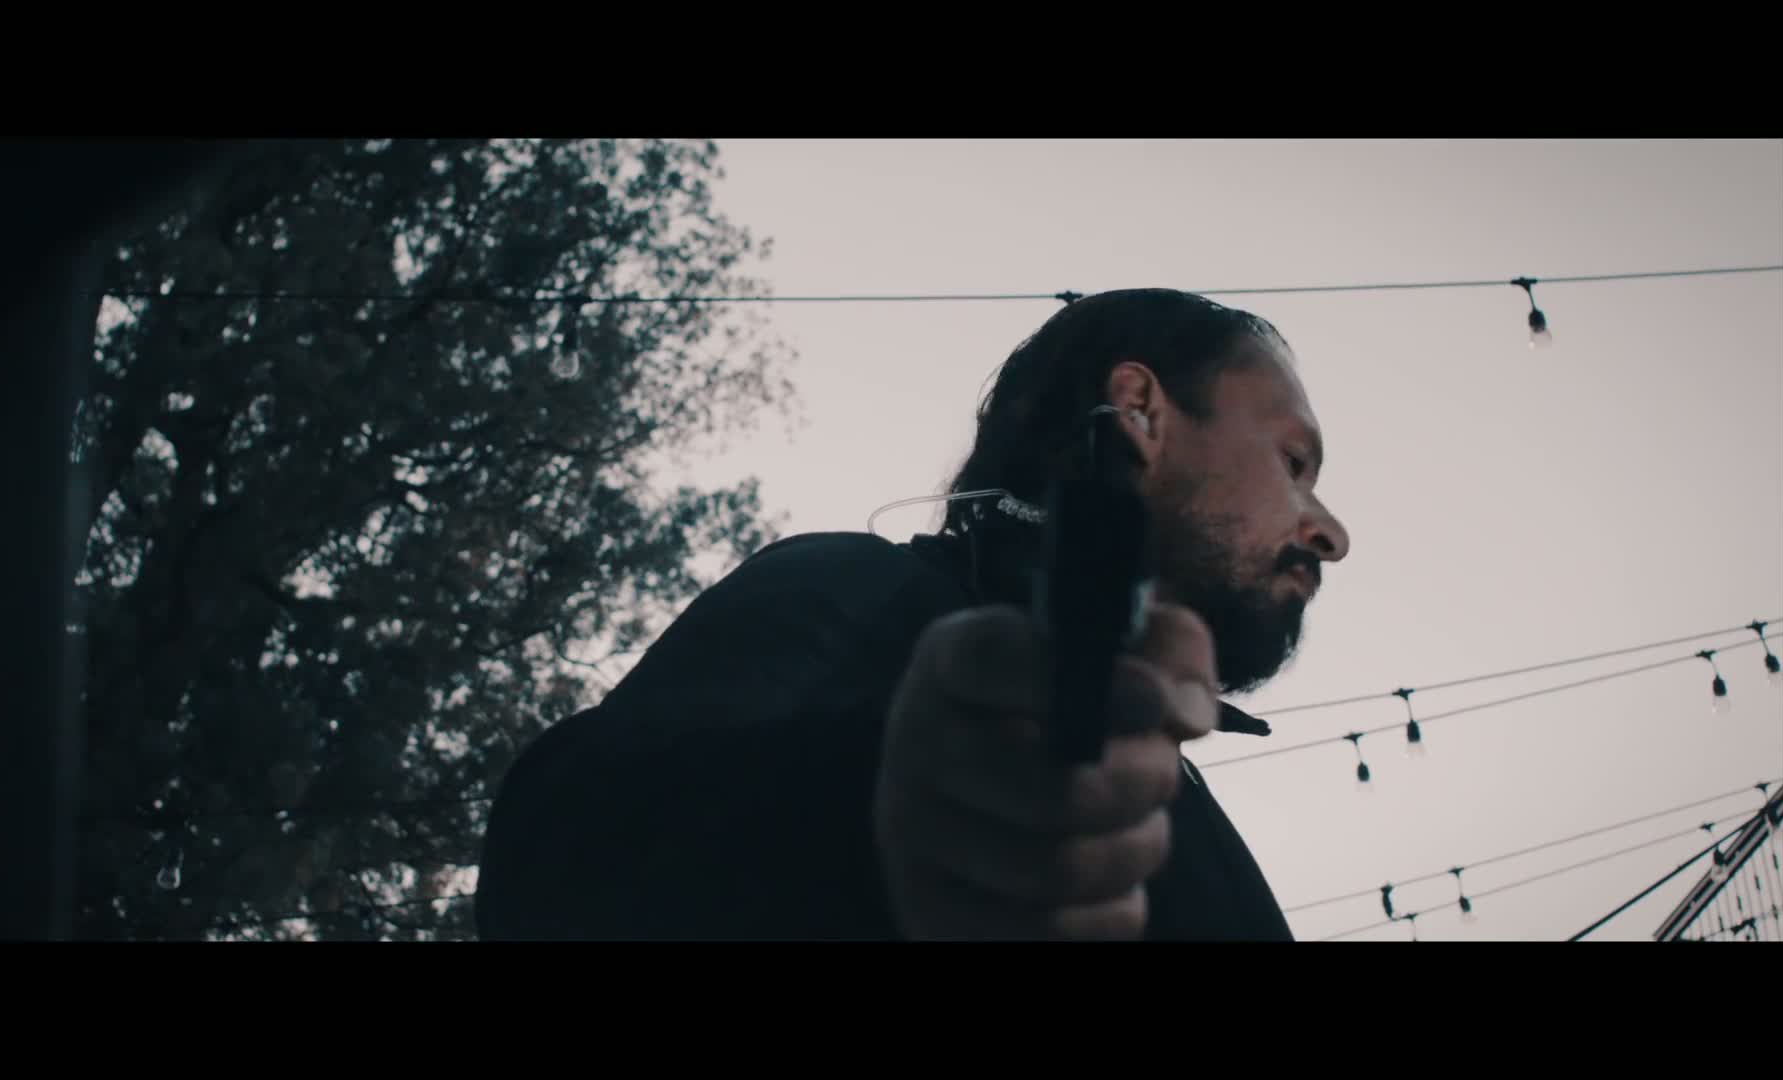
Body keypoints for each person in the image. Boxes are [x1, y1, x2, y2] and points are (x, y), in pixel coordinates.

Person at [474, 288, 1352, 941]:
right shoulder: (862, 591)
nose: (1331, 533)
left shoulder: (1173, 786)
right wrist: (877, 813)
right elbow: (566, 860)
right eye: (1294, 461)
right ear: (1139, 411)